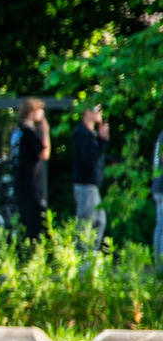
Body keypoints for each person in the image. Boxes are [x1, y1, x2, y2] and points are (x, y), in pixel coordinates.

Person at [72, 104, 111, 248]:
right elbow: (90, 159)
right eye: (97, 110)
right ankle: (83, 260)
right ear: (87, 112)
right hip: (85, 185)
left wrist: (101, 140)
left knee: (99, 221)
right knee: (86, 224)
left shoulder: (91, 134)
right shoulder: (83, 133)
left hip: (92, 186)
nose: (100, 113)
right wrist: (103, 141)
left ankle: (91, 256)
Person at [13, 96, 50, 240]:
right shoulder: (28, 133)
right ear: (32, 111)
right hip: (31, 185)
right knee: (36, 225)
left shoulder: (17, 132)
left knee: (26, 222)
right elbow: (44, 153)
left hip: (21, 183)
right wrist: (45, 131)